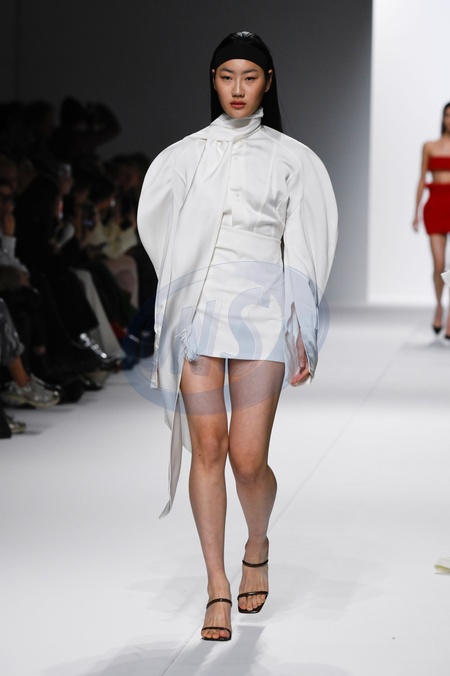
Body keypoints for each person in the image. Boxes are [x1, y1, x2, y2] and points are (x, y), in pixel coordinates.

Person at [137, 31, 338, 642]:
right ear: (213, 80)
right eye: (227, 76)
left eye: (250, 77)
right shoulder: (183, 157)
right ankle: (216, 585)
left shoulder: (294, 159)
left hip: (263, 312)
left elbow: (306, 248)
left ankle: (257, 543)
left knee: (248, 462)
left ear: (268, 83)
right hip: (199, 309)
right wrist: (172, 313)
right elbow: (159, 238)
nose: (238, 89)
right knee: (209, 449)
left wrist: (303, 328)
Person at [413, 102, 450, 336]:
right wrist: (416, 211)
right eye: (448, 115)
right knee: (439, 265)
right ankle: (439, 306)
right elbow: (421, 178)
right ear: (443, 118)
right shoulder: (430, 146)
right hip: (435, 205)